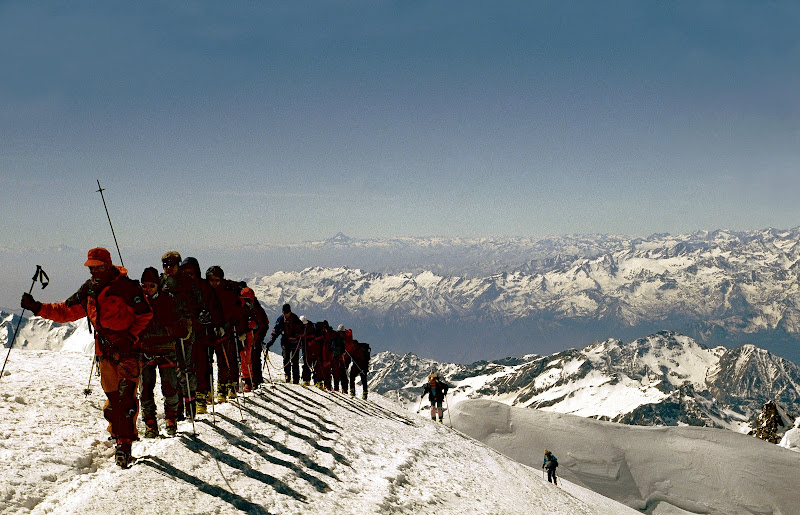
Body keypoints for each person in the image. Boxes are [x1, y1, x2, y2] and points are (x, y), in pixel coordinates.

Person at [21, 247, 153, 468]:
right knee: (114, 401)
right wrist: (37, 307)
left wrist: (130, 336)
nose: (93, 272)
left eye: (97, 267)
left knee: (126, 399)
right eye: (91, 268)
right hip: (105, 352)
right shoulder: (89, 289)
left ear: (108, 265)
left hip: (128, 351)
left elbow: (145, 313)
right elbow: (66, 310)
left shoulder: (127, 287)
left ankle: (124, 443)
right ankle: (120, 435)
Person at [138, 267, 190, 438]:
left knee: (170, 386)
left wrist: (180, 329)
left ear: (158, 285)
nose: (147, 289)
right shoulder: (139, 301)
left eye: (151, 286)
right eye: (144, 286)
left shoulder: (168, 300)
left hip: (165, 349)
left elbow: (180, 321)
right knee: (146, 388)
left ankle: (171, 419)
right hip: (147, 349)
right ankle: (150, 423)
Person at [206, 266, 246, 402]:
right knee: (210, 361)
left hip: (226, 329)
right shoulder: (204, 291)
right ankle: (219, 389)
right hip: (209, 331)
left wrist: (240, 329)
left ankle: (224, 388)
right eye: (211, 280)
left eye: (217, 280)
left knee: (226, 360)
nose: (214, 283)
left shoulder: (228, 292)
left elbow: (236, 313)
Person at [266, 303, 302, 384]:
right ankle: (287, 375)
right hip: (286, 342)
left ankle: (296, 378)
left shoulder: (296, 320)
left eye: (286, 313)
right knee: (286, 359)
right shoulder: (281, 319)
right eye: (284, 313)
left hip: (295, 343)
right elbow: (275, 331)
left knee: (295, 361)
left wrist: (298, 334)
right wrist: (270, 342)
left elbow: (301, 330)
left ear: (290, 312)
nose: (285, 314)